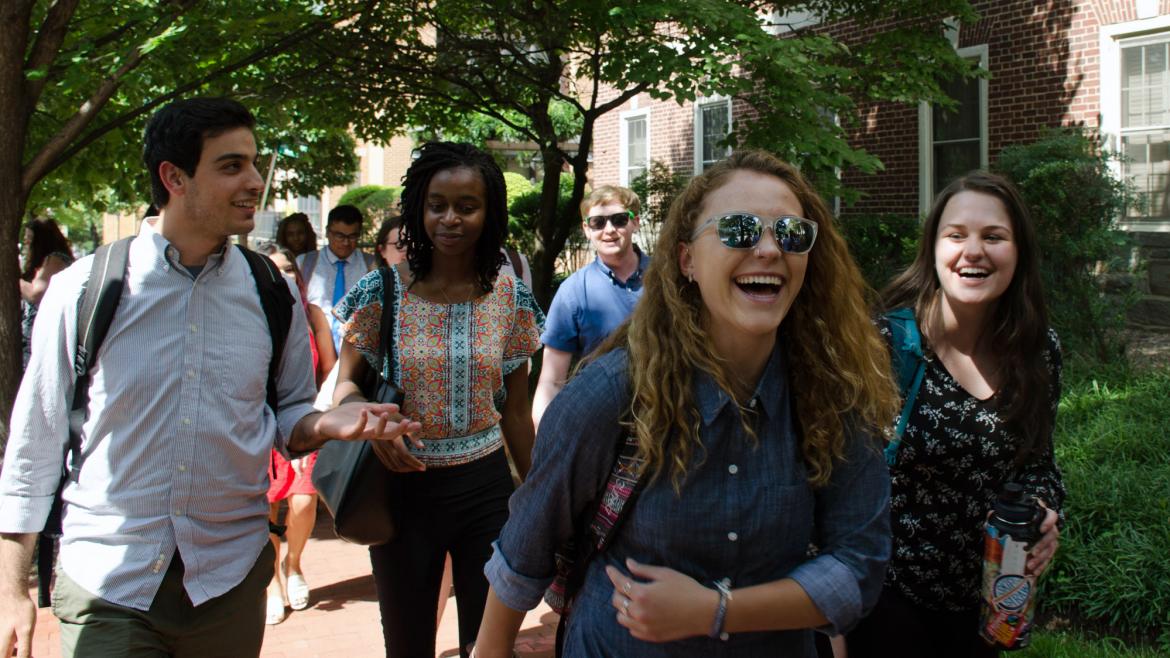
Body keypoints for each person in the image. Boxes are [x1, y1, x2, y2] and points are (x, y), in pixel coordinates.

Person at [0, 97, 420, 658]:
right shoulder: (85, 290)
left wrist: (328, 423)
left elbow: (289, 413)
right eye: (230, 166)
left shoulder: (271, 292)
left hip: (227, 581)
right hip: (109, 583)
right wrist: (11, 589)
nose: (254, 182)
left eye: (253, 163)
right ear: (173, 177)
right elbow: (34, 443)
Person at [474, 150, 898, 657]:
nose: (768, 249)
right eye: (739, 230)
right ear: (686, 260)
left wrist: (715, 610)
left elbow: (858, 566)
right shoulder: (611, 393)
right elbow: (525, 552)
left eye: (791, 233)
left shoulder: (833, 394)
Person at [332, 141, 543, 658]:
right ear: (418, 210)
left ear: (488, 212)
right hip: (402, 489)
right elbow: (344, 388)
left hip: (486, 488)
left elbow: (516, 412)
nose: (450, 219)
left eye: (466, 207)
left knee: (488, 645)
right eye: (436, 205)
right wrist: (368, 422)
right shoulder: (380, 291)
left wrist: (540, 499)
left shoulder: (511, 298)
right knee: (406, 643)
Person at [844, 172, 1065, 658]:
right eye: (956, 235)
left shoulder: (1037, 352)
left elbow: (1038, 464)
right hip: (885, 600)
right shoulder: (884, 344)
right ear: (933, 248)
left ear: (1018, 252)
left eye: (994, 237)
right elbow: (830, 479)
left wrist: (1045, 511)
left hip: (987, 603)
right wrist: (831, 627)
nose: (974, 251)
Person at [531, 185, 648, 428]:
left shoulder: (666, 278)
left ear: (634, 222)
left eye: (619, 220)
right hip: (603, 428)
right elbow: (551, 382)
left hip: (669, 421)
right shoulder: (572, 292)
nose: (609, 230)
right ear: (586, 229)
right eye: (597, 222)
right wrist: (546, 438)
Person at [257, 246, 329, 625]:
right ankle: (272, 585)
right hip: (261, 427)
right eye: (274, 269)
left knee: (303, 502)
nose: (282, 275)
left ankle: (294, 563)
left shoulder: (310, 313)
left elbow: (330, 368)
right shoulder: (251, 311)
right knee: (266, 509)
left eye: (288, 269)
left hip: (304, 418)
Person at [298, 204, 376, 352]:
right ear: (328, 232)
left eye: (352, 236)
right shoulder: (305, 264)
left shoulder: (371, 266)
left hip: (356, 352)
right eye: (340, 236)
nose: (346, 242)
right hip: (313, 351)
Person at [19, 218, 74, 369]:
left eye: (30, 240)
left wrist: (12, 278)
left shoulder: (55, 259)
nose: (26, 244)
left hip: (42, 338)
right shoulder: (47, 261)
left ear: (41, 241)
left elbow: (35, 294)